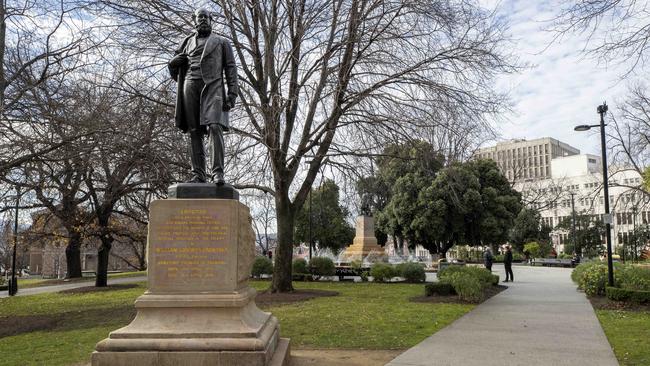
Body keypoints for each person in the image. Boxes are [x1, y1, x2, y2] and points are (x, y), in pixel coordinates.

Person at [168, 8, 239, 184]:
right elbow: (175, 72)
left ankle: (217, 173)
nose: (203, 20)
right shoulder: (185, 42)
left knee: (215, 126)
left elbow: (231, 68)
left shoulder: (222, 42)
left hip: (213, 87)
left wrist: (232, 93)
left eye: (206, 17)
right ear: (194, 20)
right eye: (200, 17)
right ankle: (198, 174)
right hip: (190, 85)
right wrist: (171, 64)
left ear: (211, 19)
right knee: (194, 131)